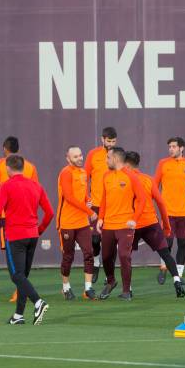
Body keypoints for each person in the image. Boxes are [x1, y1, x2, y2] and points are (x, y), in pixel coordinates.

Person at [0, 155, 53, 325]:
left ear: (8, 168)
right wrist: (39, 230)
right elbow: (50, 212)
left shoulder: (6, 186)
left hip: (15, 236)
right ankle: (18, 315)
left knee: (16, 275)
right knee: (23, 276)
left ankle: (38, 301)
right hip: (32, 236)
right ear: (23, 167)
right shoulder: (36, 185)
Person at [125, 151, 185, 298]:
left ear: (126, 164)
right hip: (151, 223)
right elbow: (161, 203)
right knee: (165, 253)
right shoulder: (148, 179)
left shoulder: (125, 179)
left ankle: (128, 290)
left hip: (132, 225)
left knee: (125, 256)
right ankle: (177, 281)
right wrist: (166, 225)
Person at [0, 136, 39, 302]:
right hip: (28, 218)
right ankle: (21, 292)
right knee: (22, 258)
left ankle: (22, 292)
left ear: (4, 148)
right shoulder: (29, 166)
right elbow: (36, 192)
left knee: (13, 258)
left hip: (7, 218)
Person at [96, 147, 146, 300]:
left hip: (125, 225)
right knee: (105, 257)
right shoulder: (106, 176)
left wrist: (134, 219)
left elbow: (142, 199)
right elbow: (104, 199)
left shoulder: (131, 176)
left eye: (108, 158)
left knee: (124, 256)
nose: (106, 161)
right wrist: (100, 218)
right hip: (108, 225)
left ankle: (126, 291)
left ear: (116, 159)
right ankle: (111, 282)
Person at [153, 137, 185, 285]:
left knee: (182, 244)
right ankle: (163, 268)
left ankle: (178, 275)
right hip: (168, 212)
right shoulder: (163, 163)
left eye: (174, 146)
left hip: (184, 212)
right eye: (170, 147)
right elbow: (154, 186)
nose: (171, 149)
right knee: (167, 242)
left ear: (181, 148)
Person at [57, 146, 97, 301]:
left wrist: (88, 201)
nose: (80, 158)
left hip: (82, 222)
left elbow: (83, 194)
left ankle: (88, 288)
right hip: (67, 222)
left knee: (89, 253)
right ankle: (65, 287)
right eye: (75, 157)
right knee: (68, 256)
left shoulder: (83, 172)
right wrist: (91, 212)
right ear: (68, 158)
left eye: (81, 155)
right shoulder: (66, 173)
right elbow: (69, 198)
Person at [85, 127, 118, 283]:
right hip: (96, 204)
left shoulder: (118, 155)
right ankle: (97, 262)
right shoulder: (93, 154)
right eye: (108, 141)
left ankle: (108, 273)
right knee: (95, 240)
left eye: (113, 141)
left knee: (111, 241)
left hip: (113, 205)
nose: (111, 144)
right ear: (102, 139)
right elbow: (84, 177)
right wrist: (86, 198)